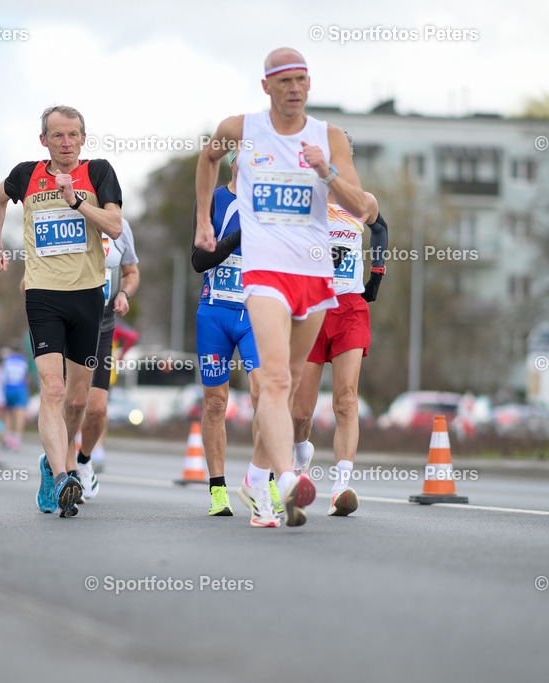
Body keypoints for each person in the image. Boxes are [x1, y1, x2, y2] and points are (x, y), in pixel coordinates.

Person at [195, 48, 374, 527]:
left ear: (309, 85)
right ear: (267, 86)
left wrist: (327, 172)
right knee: (273, 380)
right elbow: (207, 158)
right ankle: (288, 479)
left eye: (302, 80)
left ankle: (255, 479)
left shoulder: (329, 138)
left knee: (291, 388)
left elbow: (364, 208)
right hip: (265, 272)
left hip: (314, 277)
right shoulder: (242, 128)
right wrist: (202, 222)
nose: (295, 88)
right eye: (285, 81)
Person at [0, 104, 123, 518]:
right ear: (43, 140)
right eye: (58, 136)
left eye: (73, 135)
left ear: (83, 138)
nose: (66, 143)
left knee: (78, 401)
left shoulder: (98, 172)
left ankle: (53, 463)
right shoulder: (26, 174)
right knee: (54, 389)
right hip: (42, 293)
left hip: (88, 296)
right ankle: (63, 477)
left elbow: (114, 227)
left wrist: (76, 200)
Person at [190, 152, 278, 523]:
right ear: (235, 163)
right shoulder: (213, 201)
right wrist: (240, 237)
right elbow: (198, 261)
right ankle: (217, 489)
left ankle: (264, 480)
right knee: (215, 403)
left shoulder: (272, 205)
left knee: (265, 393)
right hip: (214, 313)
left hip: (254, 316)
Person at [291, 191, 387, 516]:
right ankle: (300, 455)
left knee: (346, 400)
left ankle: (340, 487)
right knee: (301, 412)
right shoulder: (305, 198)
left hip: (350, 308)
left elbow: (381, 228)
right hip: (312, 308)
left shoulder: (362, 201)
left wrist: (377, 273)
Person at [73, 217, 139, 501]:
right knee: (70, 402)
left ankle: (84, 461)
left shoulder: (120, 228)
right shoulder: (68, 216)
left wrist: (124, 293)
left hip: (103, 325)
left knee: (97, 409)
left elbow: (132, 272)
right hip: (69, 324)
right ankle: (61, 471)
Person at [0, 346, 31, 450]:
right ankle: (17, 439)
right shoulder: (23, 360)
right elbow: (27, 377)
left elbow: (3, 377)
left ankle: (8, 437)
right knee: (19, 415)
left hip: (8, 389)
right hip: (20, 389)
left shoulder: (7, 360)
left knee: (8, 413)